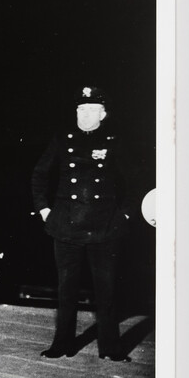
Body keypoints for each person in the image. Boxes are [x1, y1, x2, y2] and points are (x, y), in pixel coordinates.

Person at [31, 86, 131, 361]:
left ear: (103, 114)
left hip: (104, 227)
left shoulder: (114, 141)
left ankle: (111, 348)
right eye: (81, 109)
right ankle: (62, 344)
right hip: (66, 226)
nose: (85, 115)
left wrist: (124, 214)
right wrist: (44, 210)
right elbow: (39, 175)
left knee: (106, 290)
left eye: (91, 110)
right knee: (66, 289)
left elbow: (133, 181)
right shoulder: (62, 139)